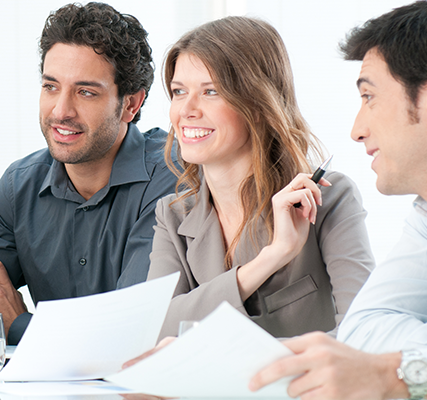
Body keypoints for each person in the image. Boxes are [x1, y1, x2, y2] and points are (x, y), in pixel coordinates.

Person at [0, 2, 178, 345]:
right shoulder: (19, 186)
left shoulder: (169, 178)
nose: (61, 111)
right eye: (50, 86)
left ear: (131, 104)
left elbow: (131, 332)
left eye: (85, 92)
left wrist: (16, 324)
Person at [142, 16, 373, 339]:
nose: (186, 110)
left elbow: (367, 333)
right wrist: (273, 256)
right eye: (179, 91)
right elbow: (153, 326)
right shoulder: (172, 214)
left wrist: (222, 360)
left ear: (258, 104)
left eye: (211, 91)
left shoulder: (330, 198)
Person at [249, 2, 427, 399]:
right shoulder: (424, 213)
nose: (356, 130)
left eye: (370, 97)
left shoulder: (336, 196)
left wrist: (401, 376)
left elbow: (380, 359)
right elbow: (365, 328)